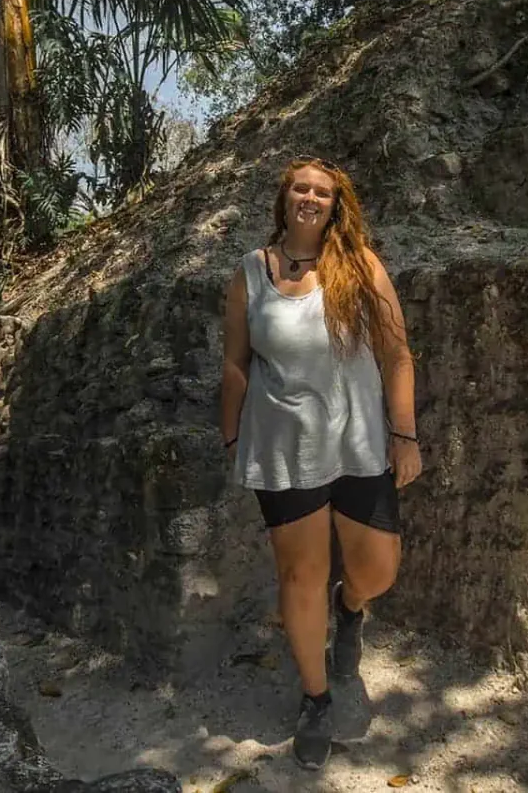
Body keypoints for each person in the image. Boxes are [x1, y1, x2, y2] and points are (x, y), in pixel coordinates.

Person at [219, 156, 422, 770]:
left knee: (377, 570)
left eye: (323, 192)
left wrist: (405, 435)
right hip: (284, 449)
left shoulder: (361, 267)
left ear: (337, 205)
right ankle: (315, 699)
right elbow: (235, 363)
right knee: (299, 577)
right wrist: (232, 436)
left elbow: (397, 355)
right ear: (283, 200)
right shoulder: (251, 273)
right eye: (300, 189)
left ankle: (351, 610)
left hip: (359, 444)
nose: (310, 198)